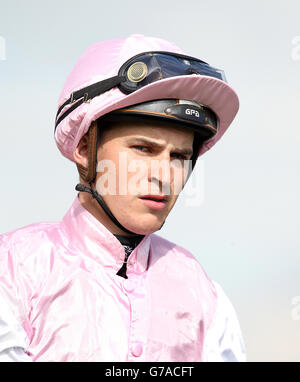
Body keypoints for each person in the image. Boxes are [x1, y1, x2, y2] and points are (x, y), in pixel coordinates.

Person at [0, 34, 246, 362]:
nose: (164, 174)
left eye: (179, 156)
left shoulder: (205, 297)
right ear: (85, 148)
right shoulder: (14, 270)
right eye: (143, 149)